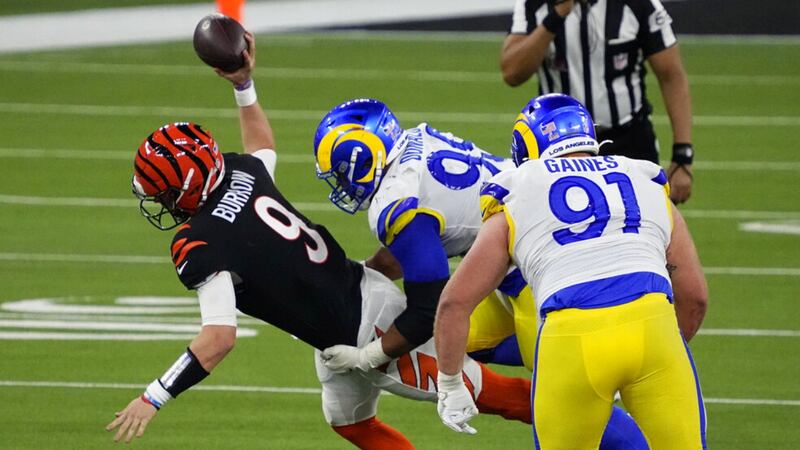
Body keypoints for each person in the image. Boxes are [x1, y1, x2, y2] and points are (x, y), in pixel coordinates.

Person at [104, 33, 534, 448]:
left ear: (183, 192)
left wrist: (153, 396)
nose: (160, 203)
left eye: (162, 194)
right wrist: (243, 86)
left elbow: (219, 339)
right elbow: (262, 145)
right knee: (352, 424)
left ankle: (570, 406)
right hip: (346, 309)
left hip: (366, 329)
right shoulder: (241, 172)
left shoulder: (198, 243)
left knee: (504, 397)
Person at [312, 99, 649, 449]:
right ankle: (583, 355)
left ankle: (600, 375)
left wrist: (369, 356)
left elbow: (427, 309)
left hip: (542, 273)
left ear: (365, 157)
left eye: (341, 172)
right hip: (517, 261)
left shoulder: (396, 198)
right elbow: (415, 247)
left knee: (566, 403)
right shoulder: (412, 145)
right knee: (456, 340)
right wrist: (360, 273)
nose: (340, 184)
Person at [434, 93, 708, 448]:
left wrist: (450, 383)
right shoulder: (645, 178)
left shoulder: (517, 189)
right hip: (654, 328)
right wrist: (662, 350)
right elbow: (695, 298)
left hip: (573, 338)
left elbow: (455, 303)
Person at [501, 0, 695, 204]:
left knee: (645, 219)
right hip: (559, 146)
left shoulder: (640, 4)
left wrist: (683, 155)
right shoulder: (534, 4)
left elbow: (671, 76)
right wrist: (555, 17)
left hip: (627, 140)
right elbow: (512, 72)